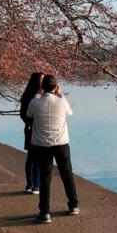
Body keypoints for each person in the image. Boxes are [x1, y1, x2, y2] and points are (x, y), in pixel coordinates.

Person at [25, 74, 78, 224]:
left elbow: (29, 114)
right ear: (56, 87)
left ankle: (45, 212)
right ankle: (73, 205)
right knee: (67, 175)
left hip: (42, 145)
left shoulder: (35, 102)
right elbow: (70, 113)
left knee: (45, 178)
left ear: (42, 87)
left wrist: (38, 94)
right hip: (61, 143)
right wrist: (59, 94)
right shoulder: (62, 101)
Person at [19, 72, 45, 194]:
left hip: (30, 128)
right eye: (42, 79)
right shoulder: (35, 96)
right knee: (35, 158)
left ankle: (31, 184)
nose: (43, 81)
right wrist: (32, 122)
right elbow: (23, 114)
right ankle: (34, 184)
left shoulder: (30, 95)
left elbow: (22, 115)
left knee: (32, 158)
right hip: (34, 129)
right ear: (36, 81)